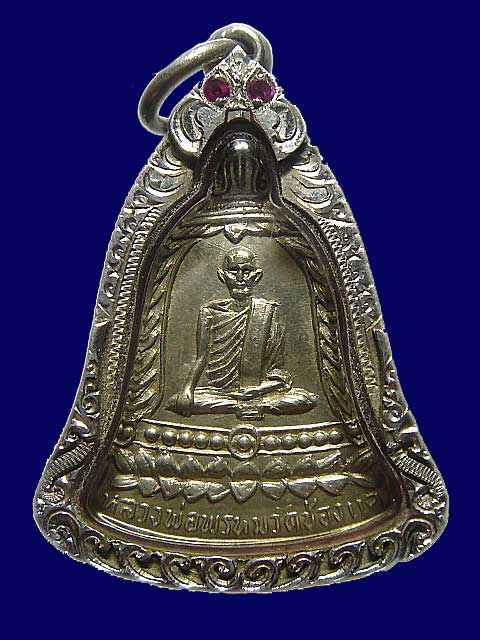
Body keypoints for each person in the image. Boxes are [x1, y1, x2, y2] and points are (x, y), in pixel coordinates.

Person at [166, 247, 317, 419]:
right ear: (222, 275)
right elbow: (201, 357)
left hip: (259, 392)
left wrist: (258, 390)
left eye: (246, 272)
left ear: (257, 276)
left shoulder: (267, 312)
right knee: (176, 402)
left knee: (304, 400)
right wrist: (187, 389)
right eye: (233, 271)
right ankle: (246, 405)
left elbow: (279, 371)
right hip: (220, 394)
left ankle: (244, 405)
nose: (239, 278)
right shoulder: (209, 312)